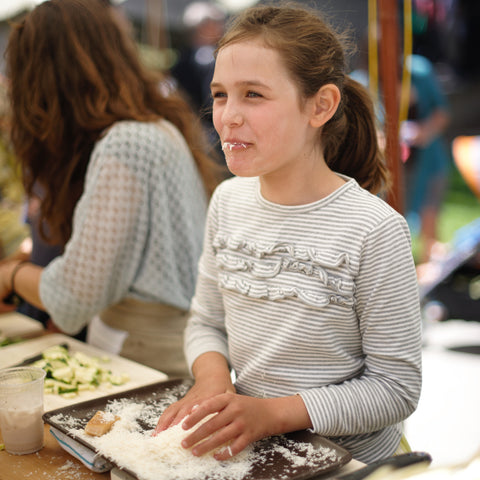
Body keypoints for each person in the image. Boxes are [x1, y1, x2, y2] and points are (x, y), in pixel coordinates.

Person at [154, 3, 422, 464]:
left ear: (320, 106)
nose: (228, 116)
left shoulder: (374, 230)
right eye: (220, 95)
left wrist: (272, 414)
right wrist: (213, 377)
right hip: (252, 455)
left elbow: (395, 389)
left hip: (347, 463)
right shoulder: (228, 201)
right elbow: (206, 322)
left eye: (253, 95)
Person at [0, 0, 221, 377]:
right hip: (152, 352)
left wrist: (8, 275)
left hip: (144, 361)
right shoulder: (150, 129)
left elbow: (73, 297)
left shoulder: (126, 143)